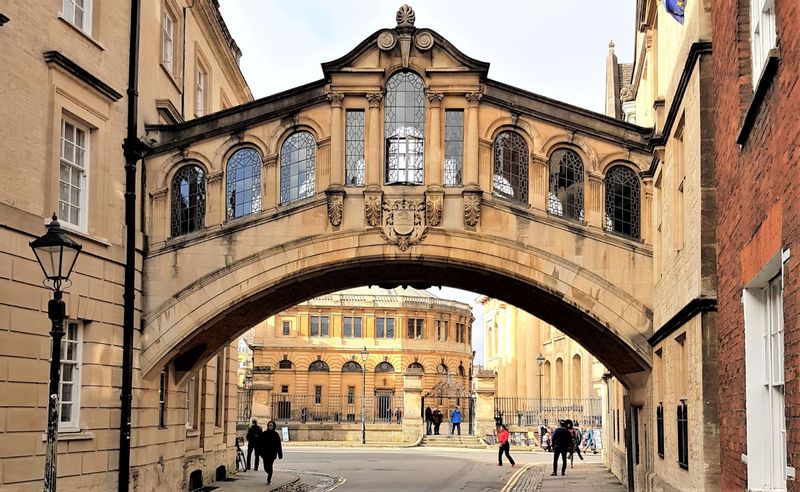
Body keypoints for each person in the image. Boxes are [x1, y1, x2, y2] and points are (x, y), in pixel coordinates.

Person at [258, 420, 283, 485]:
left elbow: (278, 445)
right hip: (265, 453)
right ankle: (269, 473)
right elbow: (260, 443)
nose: (270, 427)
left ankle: (269, 479)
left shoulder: (276, 434)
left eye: (271, 425)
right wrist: (260, 452)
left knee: (270, 466)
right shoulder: (264, 433)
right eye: (269, 425)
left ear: (274, 426)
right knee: (266, 467)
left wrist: (280, 454)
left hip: (272, 453)